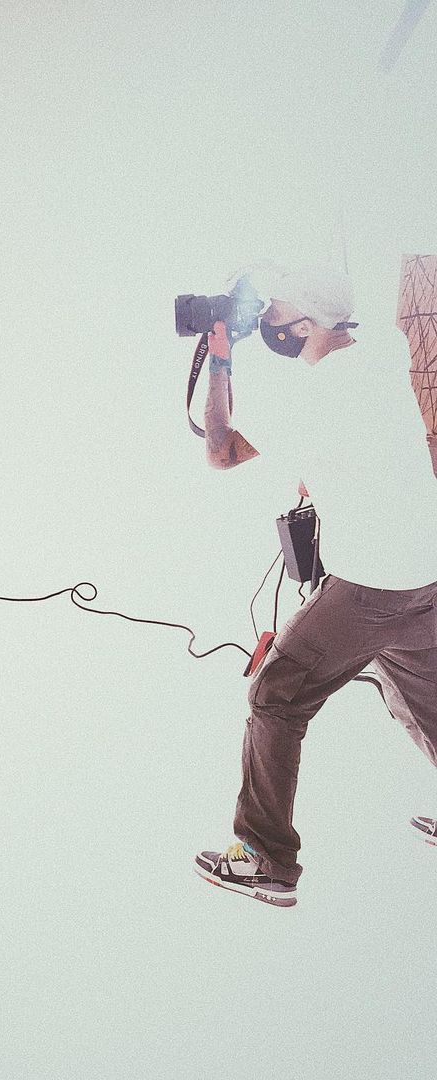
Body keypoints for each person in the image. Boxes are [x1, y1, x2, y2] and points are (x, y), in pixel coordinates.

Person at [192, 263, 437, 906]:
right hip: (426, 582)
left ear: (304, 325)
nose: (266, 316)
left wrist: (221, 356)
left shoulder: (315, 394)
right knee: (418, 697)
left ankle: (265, 859)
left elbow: (218, 448)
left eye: (274, 310)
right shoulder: (383, 356)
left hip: (372, 588)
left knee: (275, 697)